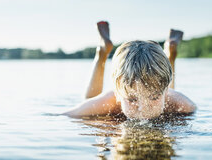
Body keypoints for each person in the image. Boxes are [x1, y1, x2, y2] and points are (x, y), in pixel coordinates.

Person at [62, 21, 196, 120]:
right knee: (90, 103)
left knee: (162, 82)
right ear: (118, 93)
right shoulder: (109, 102)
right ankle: (102, 53)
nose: (143, 108)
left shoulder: (181, 103)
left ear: (167, 91)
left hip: (167, 95)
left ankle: (170, 54)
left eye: (154, 97)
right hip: (113, 98)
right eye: (132, 99)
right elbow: (67, 115)